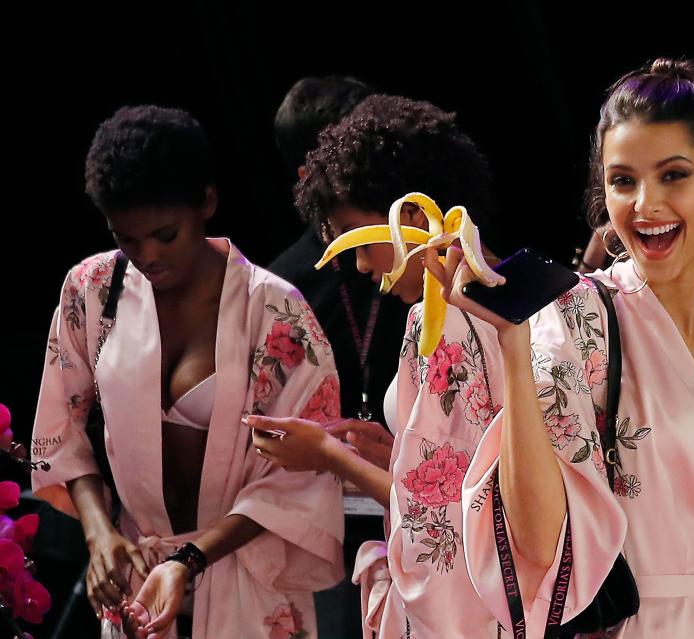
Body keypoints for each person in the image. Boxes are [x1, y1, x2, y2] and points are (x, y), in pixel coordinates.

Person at [432, 59, 694, 638]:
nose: (645, 204)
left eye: (673, 175)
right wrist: (514, 341)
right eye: (623, 181)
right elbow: (536, 545)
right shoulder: (579, 320)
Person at [31, 105, 344, 638]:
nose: (147, 256)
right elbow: (60, 429)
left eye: (165, 234)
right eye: (126, 239)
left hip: (247, 579)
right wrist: (98, 533)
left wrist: (190, 559)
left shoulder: (274, 312)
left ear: (207, 202)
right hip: (137, 576)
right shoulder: (92, 289)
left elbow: (302, 473)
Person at [248, 93, 509, 638]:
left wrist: (324, 454)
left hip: (469, 610)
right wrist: (401, 459)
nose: (361, 263)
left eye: (355, 235)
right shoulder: (510, 296)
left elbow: (447, 522)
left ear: (411, 214)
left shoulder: (447, 319)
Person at [268, 75, 410, 638]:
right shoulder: (279, 288)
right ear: (308, 174)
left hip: (422, 519)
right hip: (321, 528)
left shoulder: (428, 270)